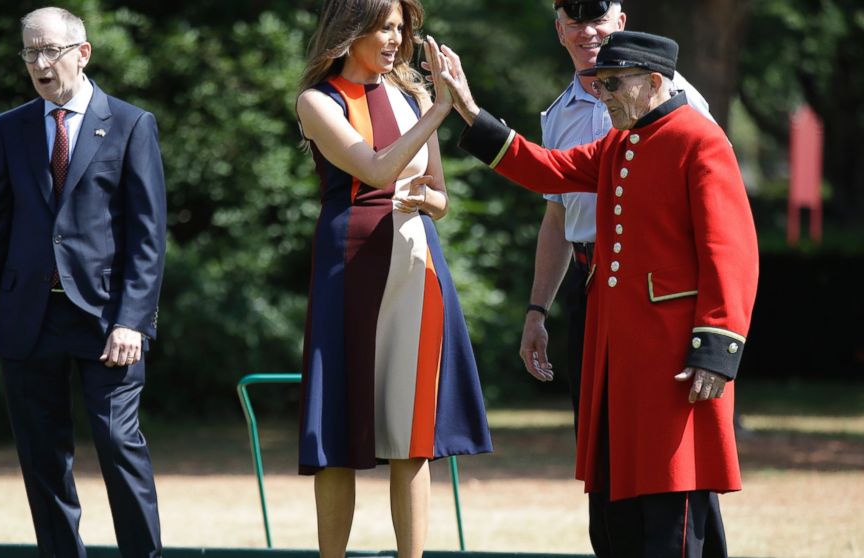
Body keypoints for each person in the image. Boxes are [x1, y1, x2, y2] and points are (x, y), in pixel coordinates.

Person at [436, 31, 758, 557]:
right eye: (598, 83)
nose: (601, 94)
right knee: (615, 495)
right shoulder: (618, 143)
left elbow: (731, 251)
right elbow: (546, 168)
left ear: (653, 81)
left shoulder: (700, 139)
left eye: (612, 83)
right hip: (617, 351)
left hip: (673, 353)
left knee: (673, 494)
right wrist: (470, 112)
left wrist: (716, 349)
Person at [0, 7, 166, 557]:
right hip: (28, 317)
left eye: (50, 50)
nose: (40, 63)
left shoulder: (131, 124)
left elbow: (148, 236)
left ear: (83, 53)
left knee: (118, 444)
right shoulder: (10, 128)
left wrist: (132, 320)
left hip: (106, 321)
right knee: (42, 459)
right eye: (30, 52)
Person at [294, 2, 492, 557]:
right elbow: (376, 169)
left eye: (400, 29)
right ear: (351, 29)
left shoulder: (413, 97)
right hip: (348, 263)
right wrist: (442, 109)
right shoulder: (317, 100)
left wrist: (426, 198)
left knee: (412, 433)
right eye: (384, 27)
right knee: (337, 429)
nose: (394, 39)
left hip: (416, 263)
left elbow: (441, 198)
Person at [520, 1, 716, 434]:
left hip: (657, 292)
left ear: (621, 22)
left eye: (598, 19)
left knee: (657, 435)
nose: (588, 32)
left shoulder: (675, 96)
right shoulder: (557, 115)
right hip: (589, 285)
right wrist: (537, 310)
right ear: (559, 31)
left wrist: (713, 329)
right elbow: (557, 219)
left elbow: (716, 218)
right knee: (596, 435)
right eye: (575, 22)